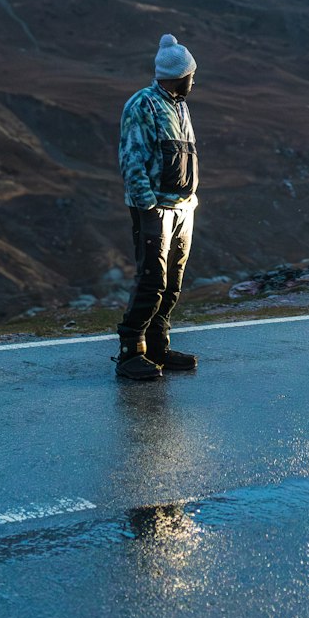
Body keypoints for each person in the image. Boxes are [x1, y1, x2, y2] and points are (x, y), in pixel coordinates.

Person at [115, 33, 200, 380]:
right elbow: (132, 160)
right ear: (180, 75)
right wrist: (147, 208)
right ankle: (130, 351)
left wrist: (191, 201)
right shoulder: (143, 105)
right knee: (153, 280)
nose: (195, 80)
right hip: (154, 210)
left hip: (182, 208)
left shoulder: (179, 105)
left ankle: (158, 345)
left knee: (173, 281)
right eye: (192, 75)